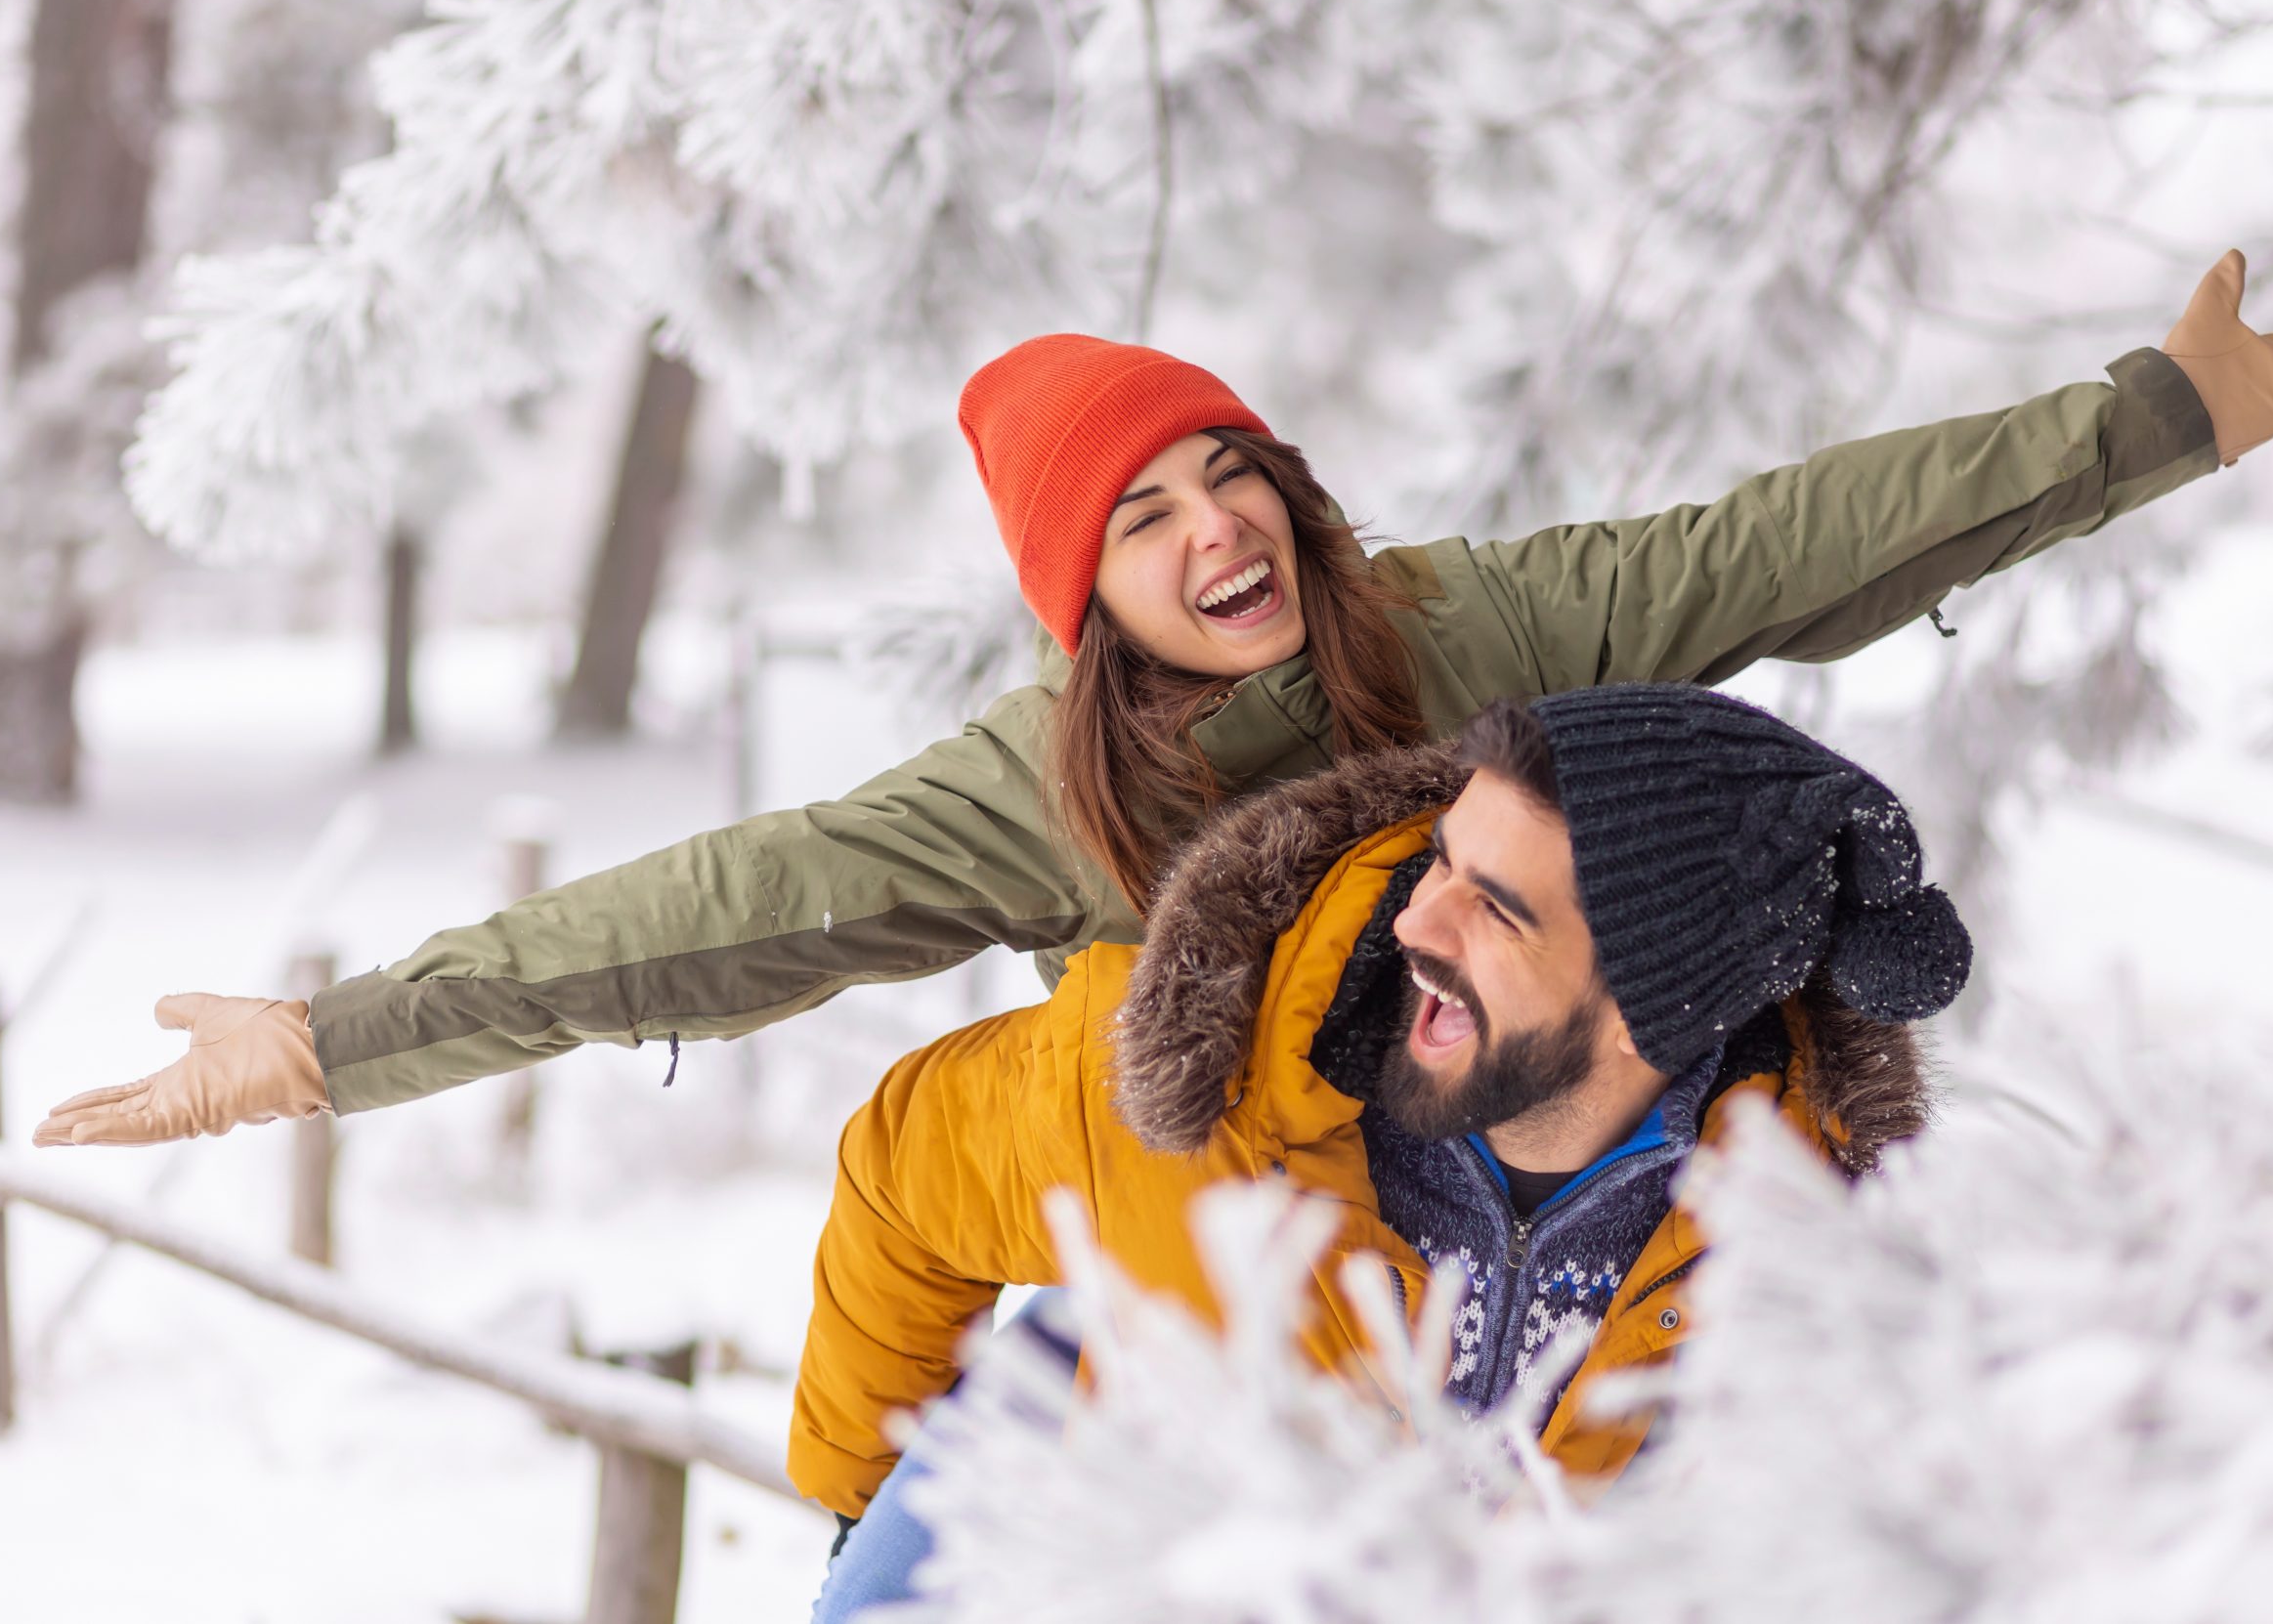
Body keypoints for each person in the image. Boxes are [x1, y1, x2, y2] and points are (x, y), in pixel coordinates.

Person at [31, 250, 2273, 1144]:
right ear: (1093, 597)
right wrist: (347, 1031)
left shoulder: (1461, 627)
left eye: (1227, 468)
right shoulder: (1031, 797)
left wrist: (2151, 419)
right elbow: (705, 909)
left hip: (1550, 1164)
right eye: (1144, 517)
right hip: (1234, 1214)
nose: (1212, 527)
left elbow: (1779, 546)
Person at [793, 683, 1966, 1614]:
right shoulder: (1201, 1080)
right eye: (1439, 860)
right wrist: (863, 1518)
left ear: (1649, 1017)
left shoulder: (1801, 1269)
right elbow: (905, 1175)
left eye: (1495, 908)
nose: (1416, 920)